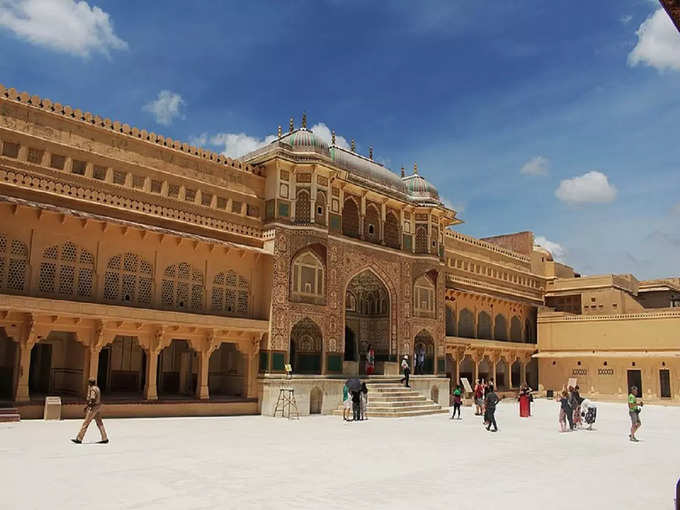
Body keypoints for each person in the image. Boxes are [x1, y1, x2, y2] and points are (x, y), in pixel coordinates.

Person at [72, 378, 108, 444]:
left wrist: (88, 406)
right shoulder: (97, 388)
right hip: (98, 407)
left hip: (93, 408)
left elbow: (92, 399)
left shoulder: (92, 389)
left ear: (90, 383)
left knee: (86, 423)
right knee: (100, 423)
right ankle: (104, 437)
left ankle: (79, 438)